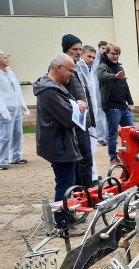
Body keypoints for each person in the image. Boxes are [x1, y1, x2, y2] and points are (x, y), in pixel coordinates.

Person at [33, 53, 85, 236]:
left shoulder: (55, 87)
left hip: (59, 141)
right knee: (64, 184)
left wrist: (76, 103)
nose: (72, 74)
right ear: (59, 68)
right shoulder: (50, 91)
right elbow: (67, 118)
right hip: (59, 144)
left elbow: (69, 105)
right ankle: (62, 225)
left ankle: (67, 215)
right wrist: (78, 108)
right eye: (70, 70)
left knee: (67, 181)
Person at [62, 34, 95, 189]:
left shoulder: (77, 67)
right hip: (74, 120)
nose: (78, 52)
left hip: (82, 119)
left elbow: (84, 92)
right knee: (82, 157)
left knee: (86, 157)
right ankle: (82, 190)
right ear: (66, 49)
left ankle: (84, 189)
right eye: (74, 49)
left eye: (80, 49)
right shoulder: (62, 67)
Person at [98, 43, 135, 165]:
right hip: (111, 106)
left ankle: (134, 155)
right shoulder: (102, 66)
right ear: (106, 53)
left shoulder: (119, 67)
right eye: (113, 53)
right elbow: (103, 76)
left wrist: (130, 102)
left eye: (117, 54)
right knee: (113, 133)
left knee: (132, 131)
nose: (115, 56)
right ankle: (113, 158)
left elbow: (125, 86)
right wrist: (115, 76)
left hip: (123, 106)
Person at [0, 50, 29, 170]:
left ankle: (16, 156)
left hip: (16, 107)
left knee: (18, 132)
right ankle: (2, 160)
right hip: (6, 108)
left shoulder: (10, 72)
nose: (8, 59)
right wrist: (3, 109)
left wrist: (23, 105)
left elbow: (17, 89)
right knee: (5, 135)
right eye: (5, 57)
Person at [77, 45, 100, 185]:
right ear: (82, 55)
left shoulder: (90, 70)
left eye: (93, 57)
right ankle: (90, 177)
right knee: (87, 149)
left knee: (91, 147)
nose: (91, 60)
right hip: (84, 113)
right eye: (89, 57)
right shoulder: (79, 69)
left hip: (93, 112)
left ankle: (93, 175)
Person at [93, 41, 108, 146]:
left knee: (107, 112)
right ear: (98, 48)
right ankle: (100, 137)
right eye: (102, 48)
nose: (104, 50)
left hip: (105, 87)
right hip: (96, 88)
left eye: (105, 49)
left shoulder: (106, 58)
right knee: (99, 112)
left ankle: (108, 135)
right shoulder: (94, 59)